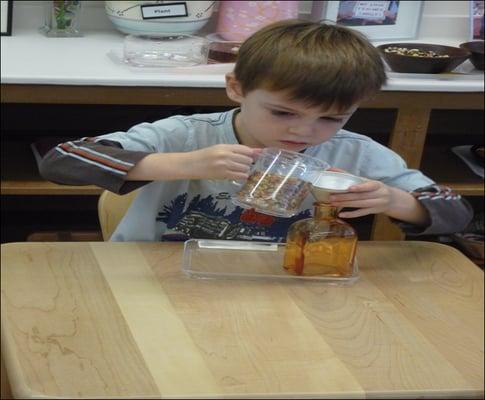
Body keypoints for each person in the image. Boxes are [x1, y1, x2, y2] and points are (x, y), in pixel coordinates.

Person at [40, 19, 472, 242]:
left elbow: (456, 214)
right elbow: (62, 161)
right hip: (157, 276)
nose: (303, 133)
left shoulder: (353, 155)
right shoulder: (187, 137)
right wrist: (178, 164)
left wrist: (398, 201)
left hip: (285, 282)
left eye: (331, 119)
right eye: (283, 113)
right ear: (237, 88)